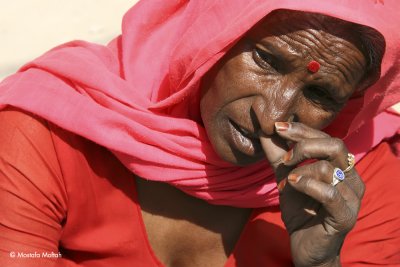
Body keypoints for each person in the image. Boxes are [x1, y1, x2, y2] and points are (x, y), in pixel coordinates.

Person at [0, 0, 399, 266]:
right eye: (265, 59)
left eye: (321, 93)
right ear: (208, 37)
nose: (272, 112)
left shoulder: (355, 177)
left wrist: (325, 262)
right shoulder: (47, 130)